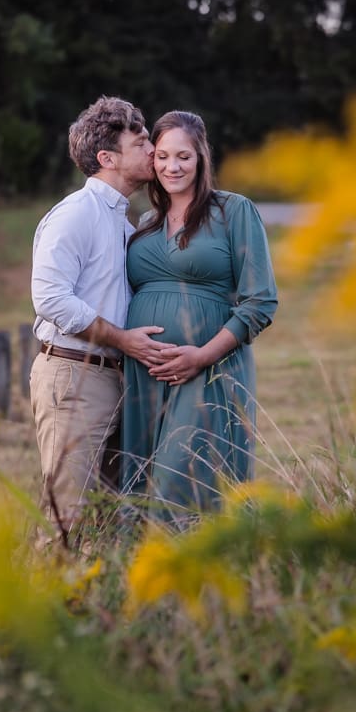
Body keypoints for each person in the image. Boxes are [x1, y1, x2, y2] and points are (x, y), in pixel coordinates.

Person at [121, 110, 278, 526]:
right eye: (164, 156)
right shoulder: (147, 222)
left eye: (184, 157)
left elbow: (260, 301)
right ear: (152, 161)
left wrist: (202, 356)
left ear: (201, 158)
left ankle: (214, 574)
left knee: (185, 478)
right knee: (141, 483)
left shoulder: (234, 211)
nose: (173, 167)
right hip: (144, 373)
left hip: (208, 369)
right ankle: (144, 580)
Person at [30, 95, 173, 544]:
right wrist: (122, 339)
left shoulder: (125, 224)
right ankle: (40, 610)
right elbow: (49, 298)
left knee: (107, 519)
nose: (153, 148)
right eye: (142, 140)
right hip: (74, 377)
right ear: (107, 158)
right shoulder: (76, 214)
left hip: (114, 378)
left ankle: (94, 612)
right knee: (65, 520)